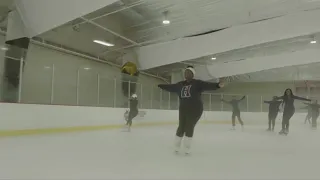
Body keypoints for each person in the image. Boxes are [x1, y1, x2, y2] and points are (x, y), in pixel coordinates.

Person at [158, 66, 224, 155]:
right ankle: (176, 146)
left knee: (189, 126)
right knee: (181, 127)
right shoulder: (180, 85)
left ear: (192, 74)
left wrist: (217, 85)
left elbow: (208, 85)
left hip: (195, 108)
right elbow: (170, 87)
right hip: (183, 108)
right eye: (185, 72)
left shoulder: (197, 83)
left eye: (188, 72)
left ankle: (187, 147)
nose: (186, 74)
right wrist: (159, 85)